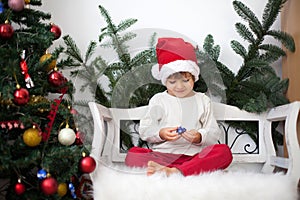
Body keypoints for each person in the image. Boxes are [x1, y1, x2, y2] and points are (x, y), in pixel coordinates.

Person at [125, 37, 233, 176]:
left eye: (186, 80)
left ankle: (176, 171)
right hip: (163, 156)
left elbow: (212, 131)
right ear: (164, 81)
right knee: (133, 154)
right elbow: (145, 130)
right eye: (172, 82)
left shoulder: (202, 100)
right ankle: (174, 169)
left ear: (194, 78)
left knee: (223, 152)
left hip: (194, 157)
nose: (180, 86)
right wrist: (161, 133)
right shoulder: (159, 99)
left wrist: (199, 136)